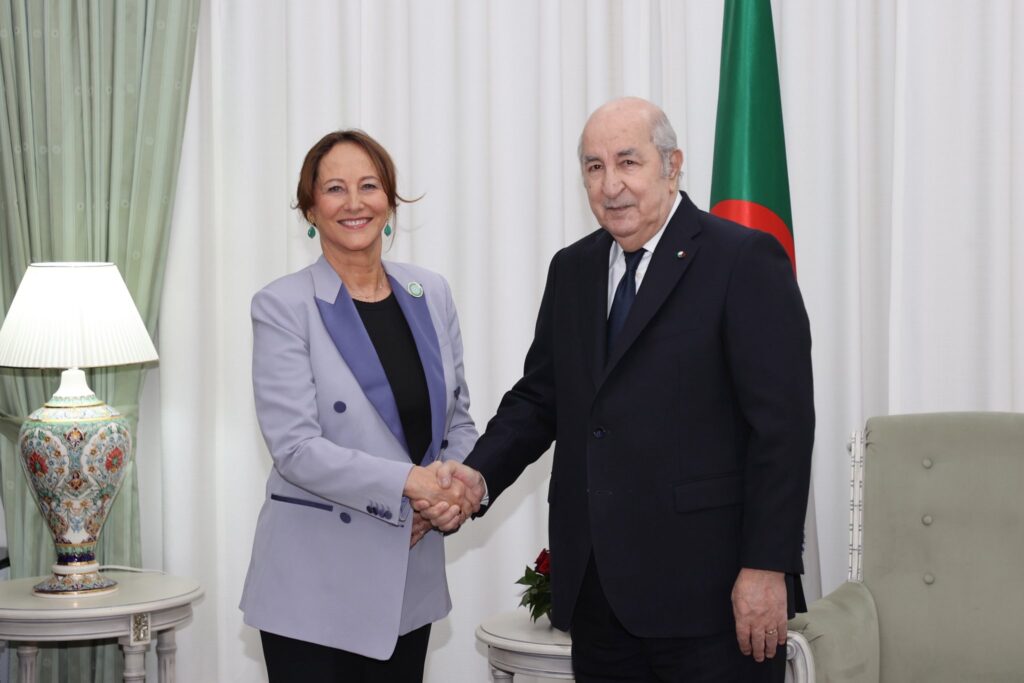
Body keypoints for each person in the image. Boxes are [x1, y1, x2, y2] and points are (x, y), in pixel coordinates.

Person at [421, 97, 814, 682]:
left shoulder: (742, 259)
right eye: (594, 167)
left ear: (672, 166)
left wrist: (765, 566)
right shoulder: (572, 269)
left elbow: (782, 429)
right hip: (599, 596)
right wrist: (477, 476)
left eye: (628, 162)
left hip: (712, 596)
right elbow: (540, 399)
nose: (611, 185)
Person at [240, 129, 480, 682]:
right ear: (310, 209)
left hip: (406, 580)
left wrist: (448, 495)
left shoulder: (431, 292)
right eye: (335, 189)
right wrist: (413, 485)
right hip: (313, 589)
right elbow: (296, 449)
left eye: (369, 186)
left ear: (390, 202)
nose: (354, 203)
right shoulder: (282, 305)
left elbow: (458, 423)